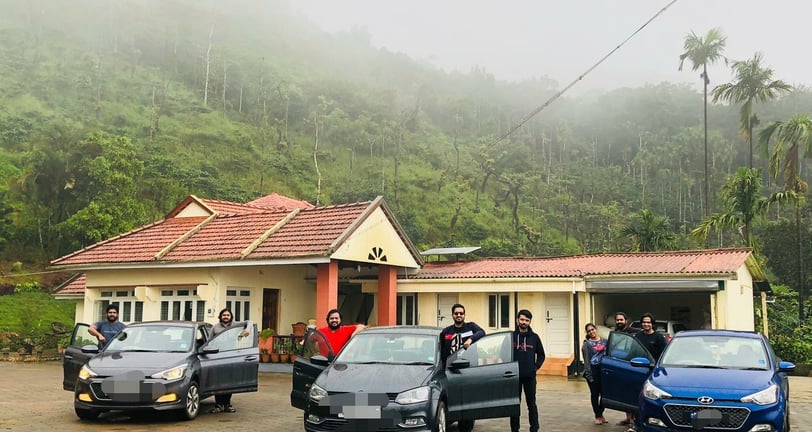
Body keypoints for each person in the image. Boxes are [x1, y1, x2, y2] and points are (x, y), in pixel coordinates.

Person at [439, 303, 485, 432]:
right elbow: (442, 351)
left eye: (461, 313)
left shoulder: (471, 327)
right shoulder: (446, 332)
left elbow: (482, 332)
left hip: (468, 371)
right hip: (451, 372)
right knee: (453, 399)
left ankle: (466, 427)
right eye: (456, 313)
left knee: (468, 401)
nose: (459, 315)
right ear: (452, 315)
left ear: (464, 315)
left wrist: (470, 340)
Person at [510, 309, 545, 432]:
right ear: (517, 320)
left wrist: (535, 367)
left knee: (532, 404)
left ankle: (534, 428)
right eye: (522, 319)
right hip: (514, 376)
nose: (524, 322)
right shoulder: (511, 337)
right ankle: (514, 429)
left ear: (530, 322)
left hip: (530, 377)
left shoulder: (534, 338)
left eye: (527, 320)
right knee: (514, 405)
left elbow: (541, 355)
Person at [210, 308, 249, 413]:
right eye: (224, 315)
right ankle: (218, 405)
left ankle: (227, 404)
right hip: (218, 357)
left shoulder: (236, 325)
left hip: (231, 357)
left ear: (231, 316)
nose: (226, 317)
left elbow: (249, 322)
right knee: (218, 382)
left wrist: (247, 330)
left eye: (228, 315)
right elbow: (209, 341)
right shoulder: (215, 328)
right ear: (220, 316)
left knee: (229, 381)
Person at [613, 311, 639, 430]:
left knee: (632, 393)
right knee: (623, 393)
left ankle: (634, 420)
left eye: (621, 320)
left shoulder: (634, 332)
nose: (619, 322)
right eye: (617, 320)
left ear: (626, 321)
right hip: (620, 365)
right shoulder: (615, 333)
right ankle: (628, 418)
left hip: (632, 366)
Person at [582, 322, 608, 425]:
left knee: (605, 394)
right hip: (593, 370)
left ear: (596, 329)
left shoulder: (604, 341)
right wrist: (589, 375)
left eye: (592, 329)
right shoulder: (587, 345)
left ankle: (600, 413)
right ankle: (598, 416)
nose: (591, 332)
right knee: (595, 394)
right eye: (589, 331)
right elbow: (587, 361)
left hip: (603, 370)